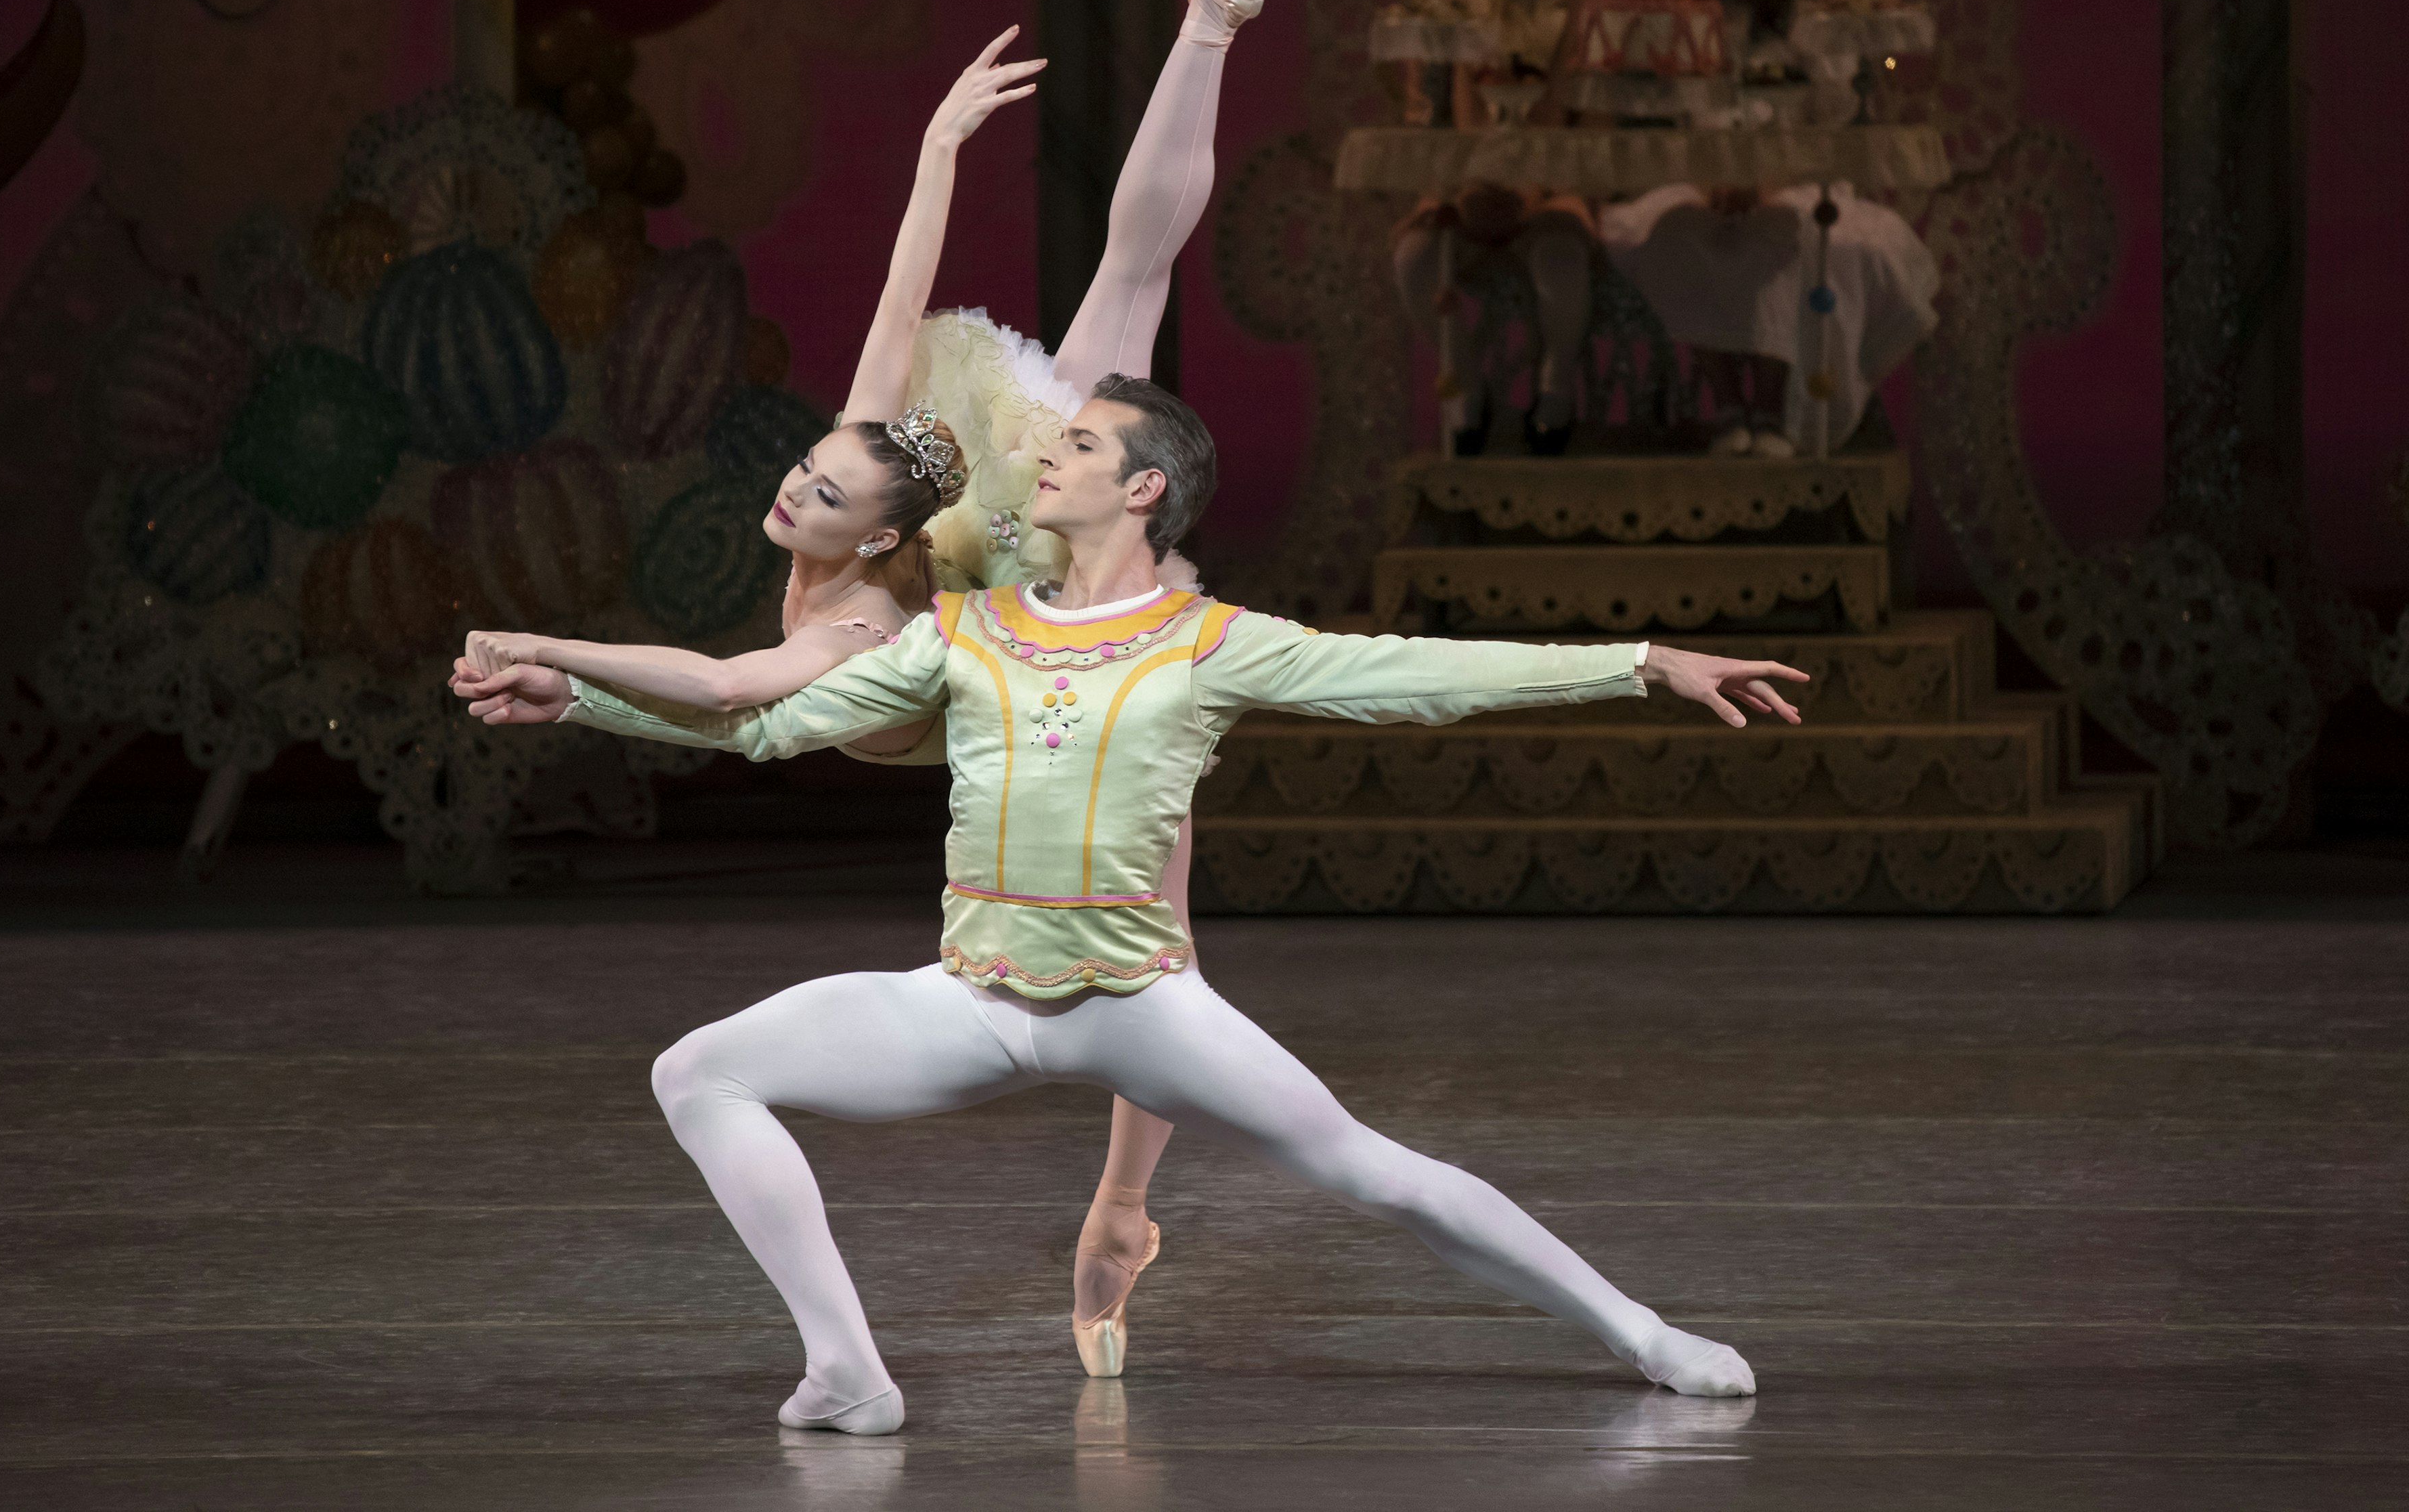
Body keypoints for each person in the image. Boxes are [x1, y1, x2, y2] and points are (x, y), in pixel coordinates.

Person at [454, 377, 1807, 1435]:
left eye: (1083, 447)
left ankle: (1641, 1334)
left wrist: (1639, 662)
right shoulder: (963, 630)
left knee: (1372, 1171)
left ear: (1143, 488)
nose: (1049, 455)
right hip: (972, 1002)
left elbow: (1421, 670)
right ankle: (847, 1374)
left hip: (1141, 1007)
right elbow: (761, 724)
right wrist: (579, 696)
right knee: (701, 1072)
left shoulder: (1211, 643)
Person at [455, 0, 1268, 1381]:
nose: (790, 491)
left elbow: (722, 685)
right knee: (1125, 291)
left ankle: (1116, 1210)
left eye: (820, 485)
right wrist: (935, 150)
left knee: (1162, 941)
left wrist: (559, 656)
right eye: (799, 473)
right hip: (1008, 615)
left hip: (1053, 643)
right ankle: (1210, 26)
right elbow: (729, 681)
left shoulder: (849, 625)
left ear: (884, 520)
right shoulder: (863, 548)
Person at [1603, 0, 1940, 458]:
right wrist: (1716, 180)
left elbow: (1830, 122)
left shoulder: (1811, 15)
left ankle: (1775, 407)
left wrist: (1765, 181)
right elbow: (1689, 118)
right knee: (1675, 231)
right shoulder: (1694, 16)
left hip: (1797, 177)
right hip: (1714, 182)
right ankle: (1730, 402)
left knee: (1788, 236)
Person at [1389, 0, 1596, 458]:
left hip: (1550, 192)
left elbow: (1591, 126)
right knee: (1416, 259)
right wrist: (1458, 193)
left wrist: (1537, 191)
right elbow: (1424, 119)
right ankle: (1466, 390)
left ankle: (1555, 392)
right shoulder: (1446, 6)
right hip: (1466, 193)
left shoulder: (1580, 14)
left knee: (1562, 251)